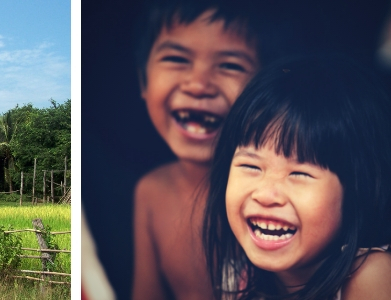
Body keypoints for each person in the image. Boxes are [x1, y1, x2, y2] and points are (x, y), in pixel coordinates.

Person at [131, 1, 311, 299]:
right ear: (143, 79)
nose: (199, 85)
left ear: (271, 89)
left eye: (230, 65)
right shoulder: (150, 192)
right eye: (177, 59)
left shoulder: (275, 202)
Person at [204, 55, 391, 299]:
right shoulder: (238, 277)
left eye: (299, 173)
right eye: (251, 166)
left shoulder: (372, 275)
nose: (266, 194)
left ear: (358, 190)